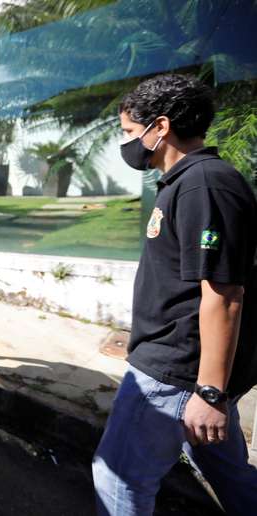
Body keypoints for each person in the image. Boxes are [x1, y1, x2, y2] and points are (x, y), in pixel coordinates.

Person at [92, 73, 257, 515]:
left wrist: (209, 393)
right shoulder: (185, 183)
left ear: (159, 127)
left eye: (129, 132)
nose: (126, 144)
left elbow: (224, 294)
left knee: (117, 479)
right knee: (229, 474)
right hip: (184, 368)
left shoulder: (206, 185)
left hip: (175, 375)